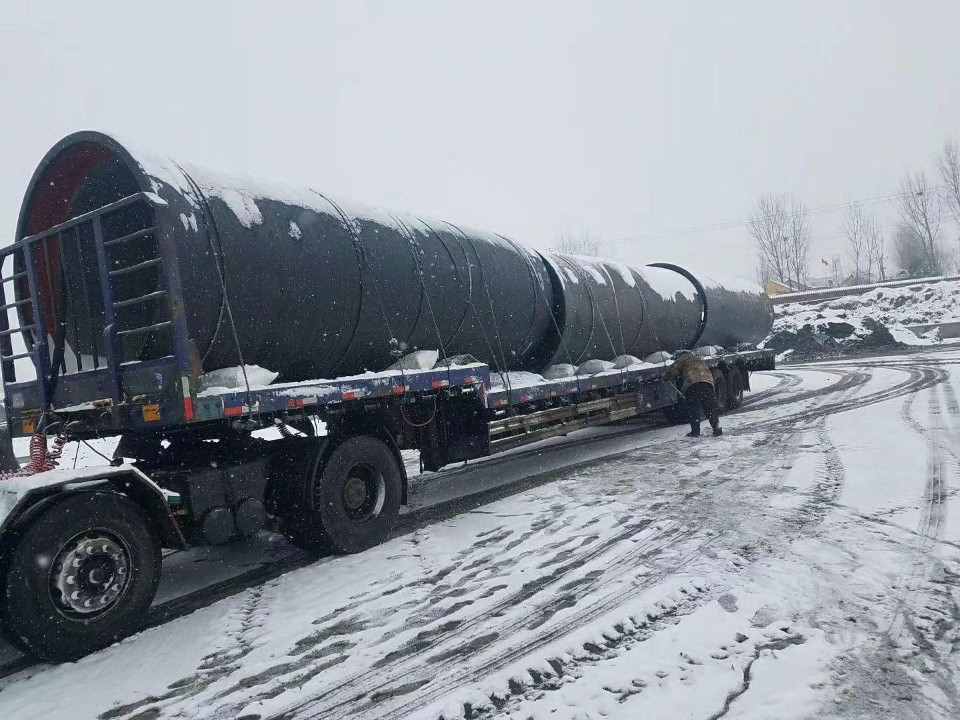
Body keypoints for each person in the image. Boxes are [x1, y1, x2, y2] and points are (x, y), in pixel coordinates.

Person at [663, 351, 722, 437]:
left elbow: (673, 370)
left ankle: (695, 432)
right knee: (710, 408)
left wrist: (666, 376)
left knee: (694, 409)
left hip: (692, 384)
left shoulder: (682, 359)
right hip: (707, 383)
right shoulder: (698, 358)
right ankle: (716, 428)